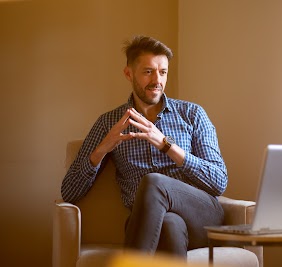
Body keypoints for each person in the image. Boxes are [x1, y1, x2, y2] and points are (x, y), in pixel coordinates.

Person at [61, 35, 228, 257]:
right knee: (169, 224)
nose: (157, 80)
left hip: (202, 217)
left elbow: (218, 181)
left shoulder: (192, 114)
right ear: (129, 73)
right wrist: (103, 148)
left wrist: (166, 144)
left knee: (154, 182)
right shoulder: (109, 123)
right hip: (150, 223)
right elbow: (69, 191)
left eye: (163, 72)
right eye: (148, 71)